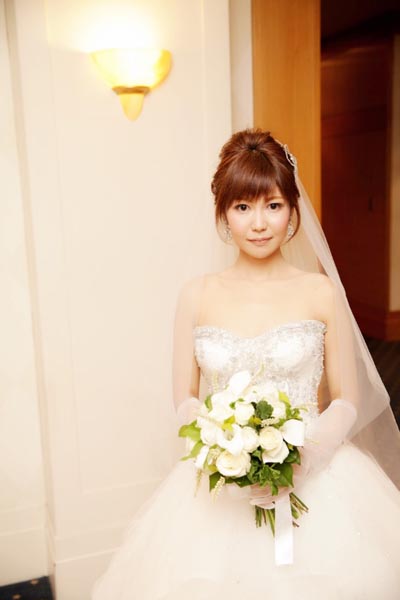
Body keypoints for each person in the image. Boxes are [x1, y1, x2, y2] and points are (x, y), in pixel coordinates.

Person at [92, 129, 400, 599]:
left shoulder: (320, 292)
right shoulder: (196, 294)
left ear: (293, 210)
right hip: (222, 484)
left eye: (273, 205)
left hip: (318, 479)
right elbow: (184, 399)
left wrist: (302, 460)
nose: (259, 224)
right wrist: (223, 449)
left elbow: (347, 400)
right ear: (223, 214)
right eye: (242, 207)